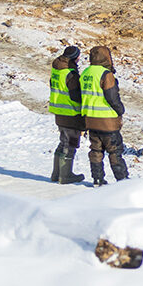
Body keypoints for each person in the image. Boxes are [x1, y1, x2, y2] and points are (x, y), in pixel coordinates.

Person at [79, 44, 129, 185]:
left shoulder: (86, 72)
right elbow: (112, 97)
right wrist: (120, 110)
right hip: (107, 121)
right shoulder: (106, 75)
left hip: (90, 119)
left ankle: (98, 179)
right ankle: (122, 180)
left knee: (96, 150)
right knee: (114, 152)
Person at [48, 45, 86, 184]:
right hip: (71, 113)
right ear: (76, 58)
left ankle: (56, 174)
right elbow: (76, 96)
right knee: (70, 143)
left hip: (59, 112)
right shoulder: (71, 74)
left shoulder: (57, 70)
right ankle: (65, 175)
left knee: (63, 142)